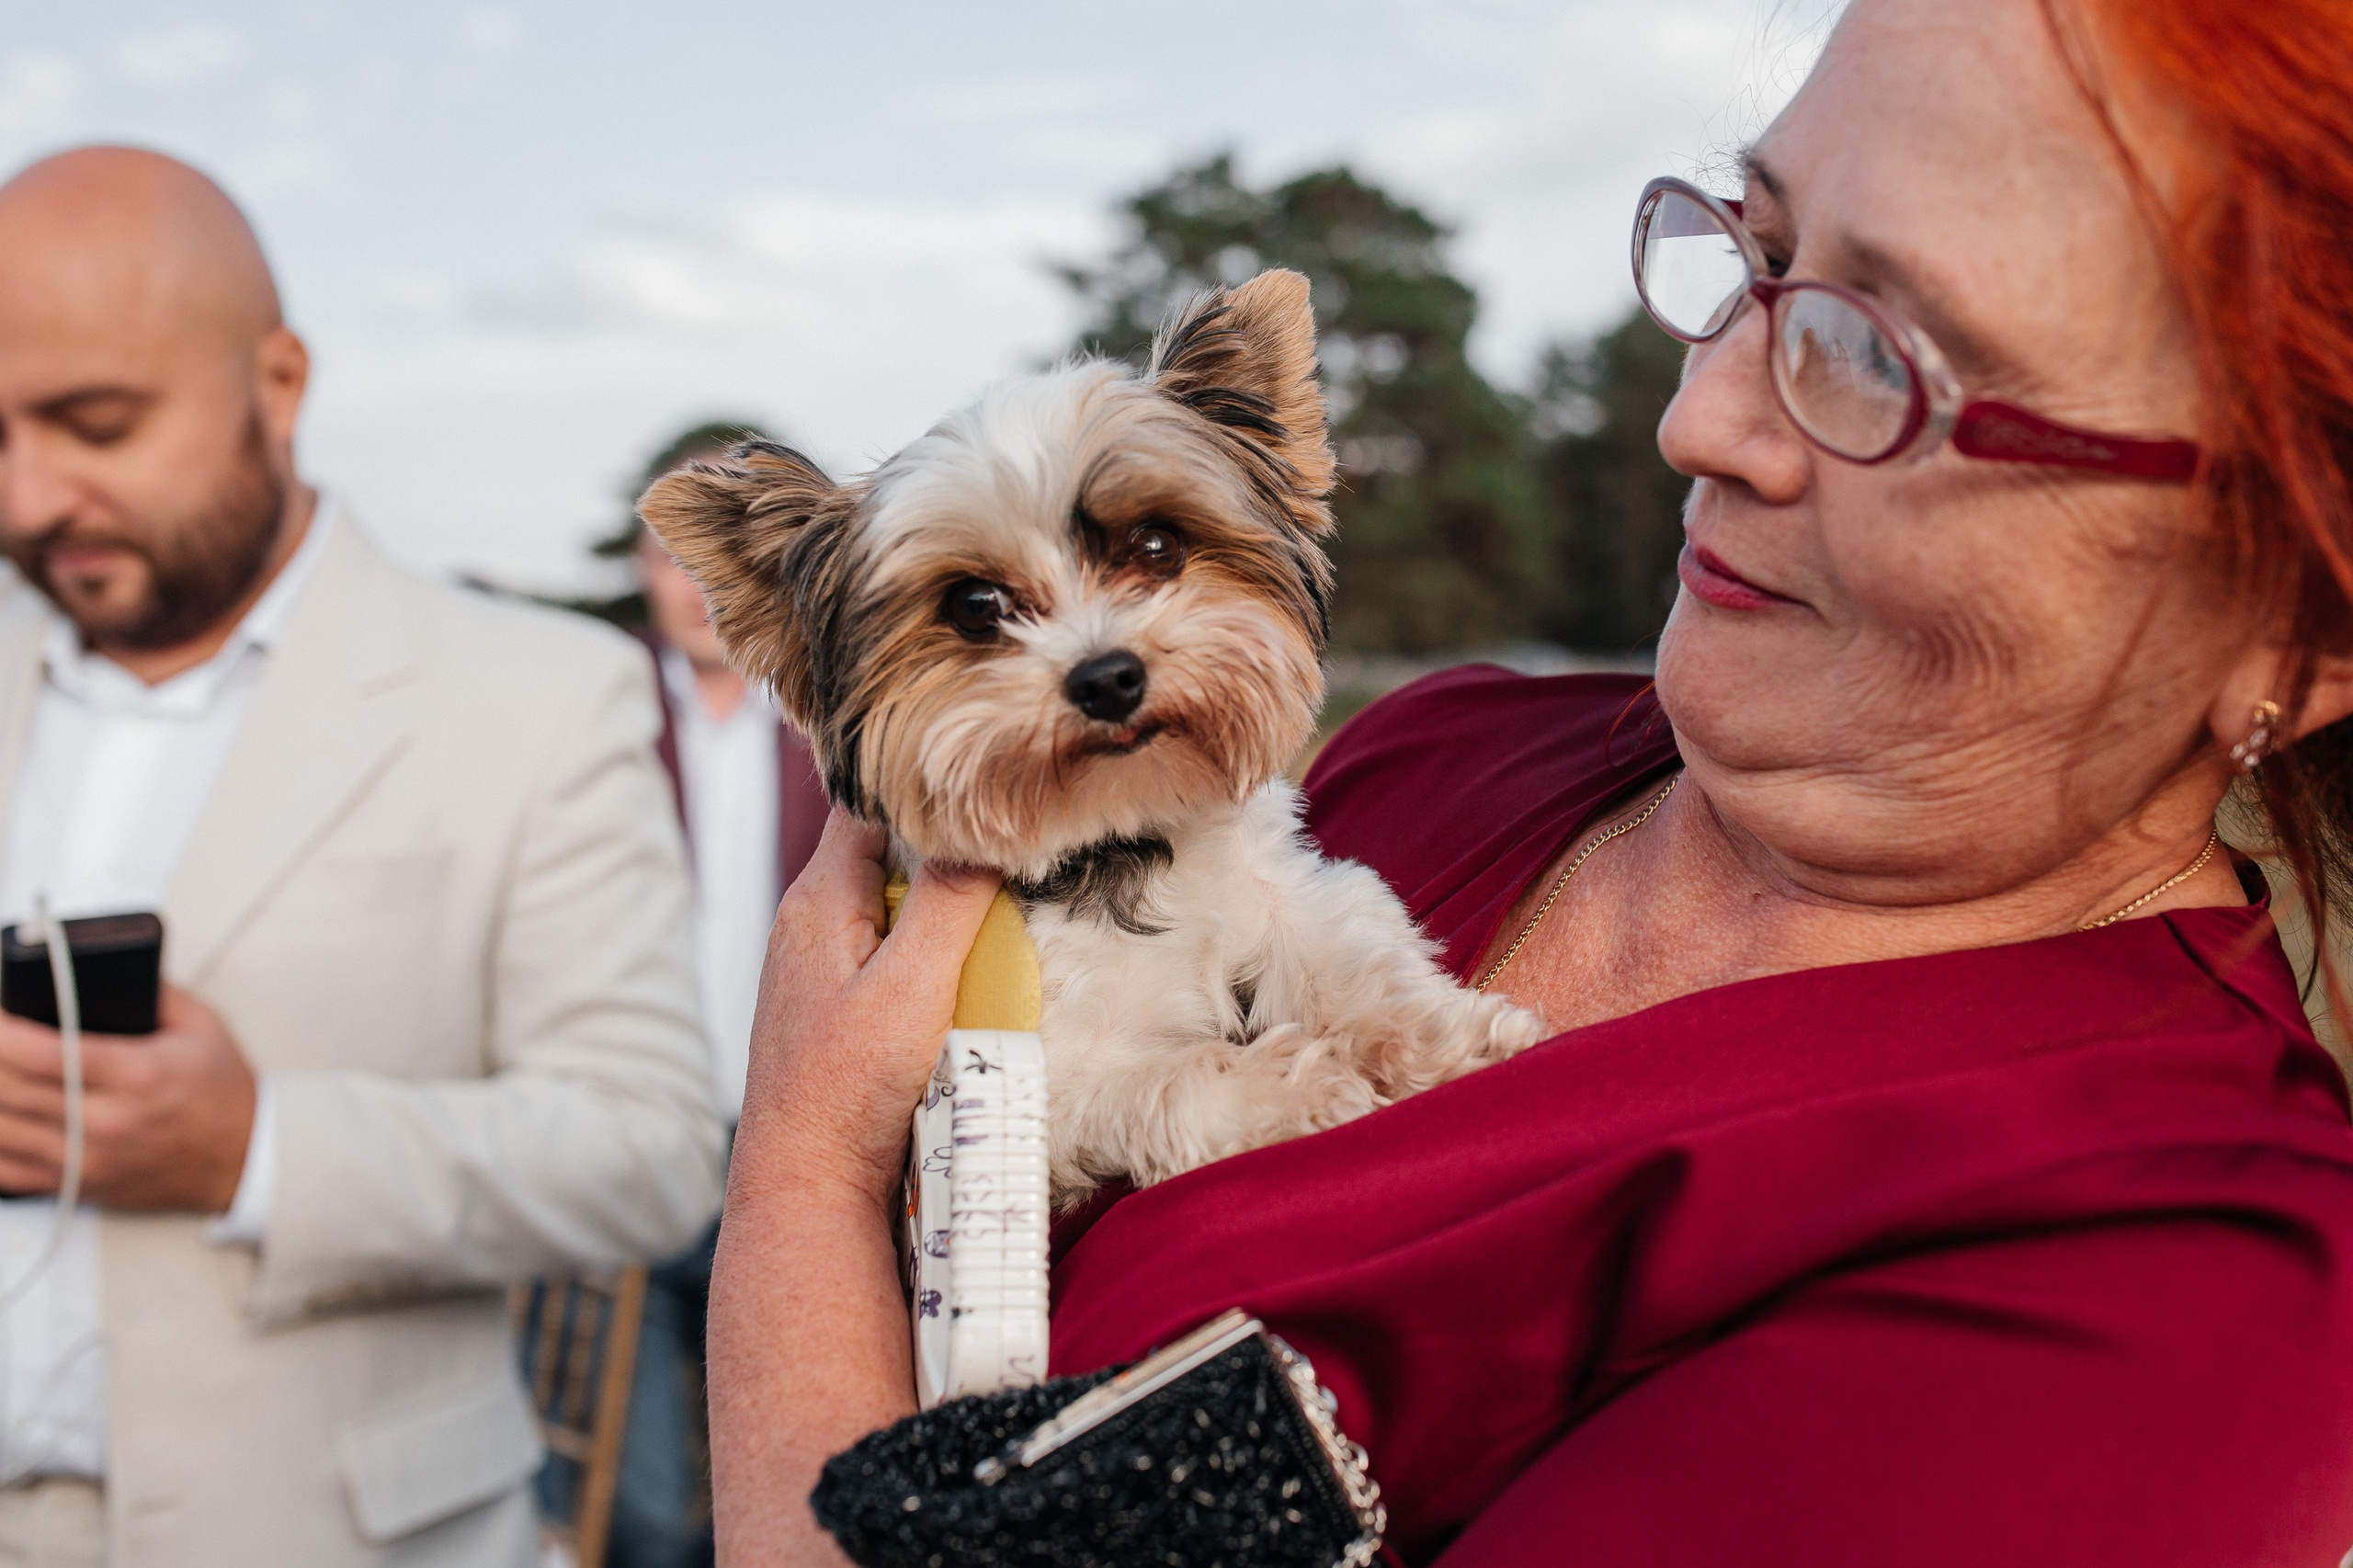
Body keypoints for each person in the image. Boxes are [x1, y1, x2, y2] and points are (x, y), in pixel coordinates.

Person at [700, 0, 2353, 1562]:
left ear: (2302, 611)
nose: (1695, 418)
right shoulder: (1449, 747)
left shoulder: (2172, 1282)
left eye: (1883, 356)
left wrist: (798, 1167)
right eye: (1755, 255)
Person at [0, 146, 726, 1565]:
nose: (33, 500)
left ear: (276, 382)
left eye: (97, 424)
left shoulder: (533, 693)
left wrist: (258, 1146)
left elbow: (650, 1148)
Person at [597, 427, 829, 1568]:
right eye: (666, 558)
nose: (693, 590)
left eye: (713, 560)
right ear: (642, 568)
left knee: (773, 1480)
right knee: (626, 1493)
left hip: (782, 1137)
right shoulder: (589, 713)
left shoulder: (832, 719)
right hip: (626, 1128)